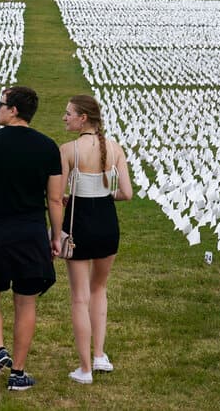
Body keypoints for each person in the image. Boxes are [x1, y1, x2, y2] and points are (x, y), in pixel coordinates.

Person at [0, 86, 65, 392]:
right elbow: (56, 199)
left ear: (14, 110)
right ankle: (18, 373)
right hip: (32, 232)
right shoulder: (48, 147)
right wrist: (55, 237)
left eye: (0, 104)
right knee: (26, 303)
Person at [59, 95, 133, 385]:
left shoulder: (68, 150)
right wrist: (103, 195)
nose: (65, 118)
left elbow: (56, 194)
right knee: (99, 288)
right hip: (107, 222)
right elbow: (126, 193)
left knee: (79, 297)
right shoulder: (115, 148)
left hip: (79, 224)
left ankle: (85, 369)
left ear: (83, 118)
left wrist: (65, 201)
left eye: (68, 113)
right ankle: (100, 355)